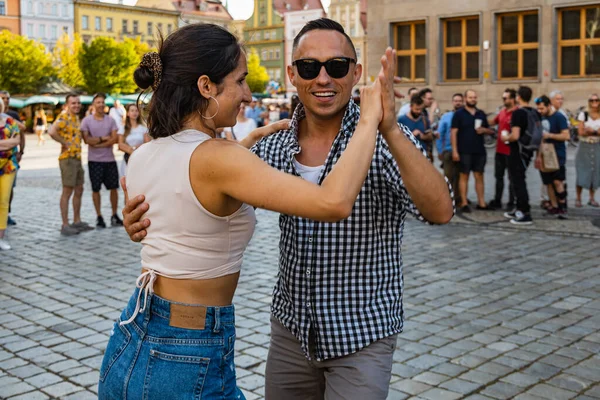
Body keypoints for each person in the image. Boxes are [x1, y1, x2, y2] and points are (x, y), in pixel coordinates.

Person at [122, 19, 454, 400]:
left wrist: (390, 128)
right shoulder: (275, 143)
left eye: (338, 66)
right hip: (291, 332)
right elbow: (202, 188)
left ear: (357, 73)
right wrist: (142, 220)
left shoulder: (383, 140)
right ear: (293, 74)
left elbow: (440, 211)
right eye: (311, 68)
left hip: (361, 332)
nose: (324, 78)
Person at [47, 94, 93, 235]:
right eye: (73, 103)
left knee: (79, 189)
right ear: (67, 104)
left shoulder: (76, 118)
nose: (76, 105)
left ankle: (77, 221)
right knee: (67, 191)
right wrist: (63, 142)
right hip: (67, 159)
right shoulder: (64, 116)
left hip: (77, 158)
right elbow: (51, 131)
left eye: (78, 103)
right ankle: (65, 225)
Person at [81, 93, 123, 229]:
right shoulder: (87, 121)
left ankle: (114, 214)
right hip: (94, 161)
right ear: (93, 105)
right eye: (98, 102)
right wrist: (103, 139)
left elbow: (114, 139)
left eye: (102, 102)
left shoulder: (111, 120)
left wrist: (97, 142)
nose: (101, 104)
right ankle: (99, 216)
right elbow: (87, 140)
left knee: (114, 188)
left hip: (109, 160)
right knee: (95, 189)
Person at [451, 89, 494, 212]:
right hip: (464, 150)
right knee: (464, 176)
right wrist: (455, 151)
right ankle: (464, 203)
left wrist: (484, 130)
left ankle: (481, 202)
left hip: (479, 150)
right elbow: (453, 133)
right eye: (470, 97)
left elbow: (489, 130)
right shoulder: (459, 114)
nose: (473, 99)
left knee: (479, 175)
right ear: (465, 99)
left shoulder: (481, 113)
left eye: (474, 97)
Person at [504, 86, 539, 225]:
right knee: (518, 179)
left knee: (518, 181)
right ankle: (519, 207)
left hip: (517, 151)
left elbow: (515, 136)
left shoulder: (518, 113)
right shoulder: (535, 112)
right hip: (528, 150)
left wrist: (506, 137)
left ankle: (524, 212)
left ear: (518, 97)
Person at [535, 95, 569, 218]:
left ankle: (562, 205)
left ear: (549, 105)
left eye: (542, 108)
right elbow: (540, 139)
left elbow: (566, 135)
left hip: (557, 153)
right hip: (544, 153)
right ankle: (554, 206)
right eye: (538, 109)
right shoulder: (541, 118)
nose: (540, 111)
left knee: (557, 181)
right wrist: (538, 156)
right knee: (548, 182)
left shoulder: (559, 117)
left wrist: (550, 135)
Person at [488, 88, 517, 210]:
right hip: (499, 150)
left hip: (511, 150)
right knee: (498, 176)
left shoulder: (517, 112)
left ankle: (511, 202)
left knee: (512, 178)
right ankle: (497, 199)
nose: (503, 100)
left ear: (512, 99)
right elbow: (492, 122)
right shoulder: (503, 111)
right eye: (503, 98)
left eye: (505, 98)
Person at [0, 90, 25, 227]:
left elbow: (21, 130)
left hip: (10, 160)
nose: (5, 101)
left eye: (7, 98)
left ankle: (7, 214)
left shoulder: (12, 116)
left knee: (9, 189)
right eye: (2, 98)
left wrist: (22, 150)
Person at [437, 93, 463, 204]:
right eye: (456, 100)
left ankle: (458, 197)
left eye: (460, 101)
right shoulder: (446, 117)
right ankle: (447, 199)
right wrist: (439, 150)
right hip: (448, 150)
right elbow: (440, 134)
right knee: (448, 176)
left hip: (463, 151)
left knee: (460, 176)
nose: (458, 102)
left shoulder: (465, 116)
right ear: (452, 102)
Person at [0, 100, 20, 250]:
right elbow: (10, 142)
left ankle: (0, 238)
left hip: (8, 166)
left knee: (4, 202)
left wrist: (9, 143)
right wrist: (7, 142)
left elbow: (16, 141)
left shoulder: (10, 121)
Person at [575, 94, 600, 207]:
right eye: (592, 100)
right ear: (589, 102)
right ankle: (578, 198)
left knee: (595, 171)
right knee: (582, 171)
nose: (594, 102)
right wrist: (595, 132)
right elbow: (580, 132)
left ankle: (592, 198)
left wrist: (591, 131)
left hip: (597, 145)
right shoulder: (583, 114)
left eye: (597, 100)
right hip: (584, 145)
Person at [117, 103, 150, 168]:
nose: (134, 112)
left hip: (141, 157)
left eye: (136, 110)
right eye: (132, 110)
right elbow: (120, 145)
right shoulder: (123, 128)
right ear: (128, 113)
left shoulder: (143, 128)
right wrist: (132, 150)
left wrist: (135, 148)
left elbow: (147, 143)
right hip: (128, 158)